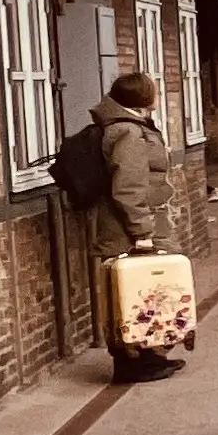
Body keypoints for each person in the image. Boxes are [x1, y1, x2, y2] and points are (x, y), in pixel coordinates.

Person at [88, 69, 182, 382]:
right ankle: (135, 364)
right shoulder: (128, 132)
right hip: (129, 230)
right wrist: (142, 233)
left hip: (138, 224)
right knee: (136, 295)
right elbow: (127, 187)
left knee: (148, 293)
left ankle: (151, 356)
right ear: (143, 96)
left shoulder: (131, 126)